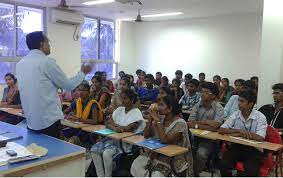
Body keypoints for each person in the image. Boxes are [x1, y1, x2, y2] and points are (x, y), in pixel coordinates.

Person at [16, 31, 91, 138]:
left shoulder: (20, 64)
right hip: (48, 120)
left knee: (36, 150)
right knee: (52, 152)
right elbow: (68, 85)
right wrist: (83, 73)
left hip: (31, 120)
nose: (49, 45)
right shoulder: (46, 62)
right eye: (48, 41)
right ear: (42, 44)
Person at [131, 95, 194, 177]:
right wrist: (150, 119)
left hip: (172, 158)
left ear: (169, 109)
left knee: (157, 174)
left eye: (161, 105)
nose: (158, 107)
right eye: (158, 104)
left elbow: (164, 140)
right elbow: (146, 135)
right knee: (136, 164)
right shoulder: (161, 118)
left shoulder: (180, 123)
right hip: (157, 152)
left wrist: (157, 120)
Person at [91, 89, 145, 177]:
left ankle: (108, 176)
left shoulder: (136, 112)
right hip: (112, 138)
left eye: (125, 98)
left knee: (106, 154)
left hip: (125, 142)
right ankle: (100, 175)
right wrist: (115, 128)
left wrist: (115, 126)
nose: (122, 101)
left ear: (131, 100)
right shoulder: (119, 109)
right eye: (121, 98)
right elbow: (108, 122)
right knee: (94, 149)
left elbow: (128, 129)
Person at [219, 90, 267, 176]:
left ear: (251, 103)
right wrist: (239, 131)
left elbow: (260, 137)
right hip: (237, 147)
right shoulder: (236, 114)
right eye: (239, 100)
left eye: (242, 101)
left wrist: (238, 134)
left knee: (252, 170)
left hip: (254, 150)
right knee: (223, 164)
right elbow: (221, 129)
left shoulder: (260, 117)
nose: (239, 103)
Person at [187, 82, 224, 176]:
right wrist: (207, 123)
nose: (203, 94)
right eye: (202, 92)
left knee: (201, 154)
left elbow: (216, 126)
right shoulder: (197, 105)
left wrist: (198, 123)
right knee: (184, 151)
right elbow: (190, 123)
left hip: (209, 140)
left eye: (206, 92)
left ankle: (195, 173)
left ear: (214, 96)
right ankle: (190, 171)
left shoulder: (218, 108)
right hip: (193, 136)